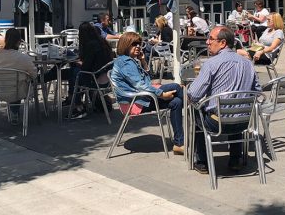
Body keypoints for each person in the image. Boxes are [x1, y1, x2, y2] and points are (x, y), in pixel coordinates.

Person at [187, 26, 262, 174]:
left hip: (217, 124)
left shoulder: (211, 64)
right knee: (236, 108)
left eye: (211, 39)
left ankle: (202, 161)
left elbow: (193, 95)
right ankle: (235, 159)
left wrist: (194, 88)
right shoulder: (248, 64)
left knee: (196, 110)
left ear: (222, 43)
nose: (207, 42)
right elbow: (257, 91)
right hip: (244, 122)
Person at [110, 31, 184, 154]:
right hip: (134, 103)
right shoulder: (126, 62)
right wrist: (161, 94)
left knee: (176, 101)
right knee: (176, 87)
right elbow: (141, 85)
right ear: (125, 45)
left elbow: (147, 81)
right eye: (134, 44)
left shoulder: (130, 61)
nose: (138, 46)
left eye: (139, 43)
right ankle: (200, 108)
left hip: (140, 99)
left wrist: (143, 61)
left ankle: (179, 143)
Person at [0, 28, 38, 125]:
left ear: (5, 40)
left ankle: (4, 117)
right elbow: (34, 74)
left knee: (13, 82)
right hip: (17, 93)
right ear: (19, 42)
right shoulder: (23, 58)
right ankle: (14, 112)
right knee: (18, 83)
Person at [71, 21, 116, 118]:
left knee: (75, 73)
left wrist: (79, 63)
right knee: (75, 73)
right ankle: (74, 101)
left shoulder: (91, 45)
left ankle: (78, 107)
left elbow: (86, 67)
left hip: (96, 79)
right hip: (107, 79)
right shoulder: (102, 42)